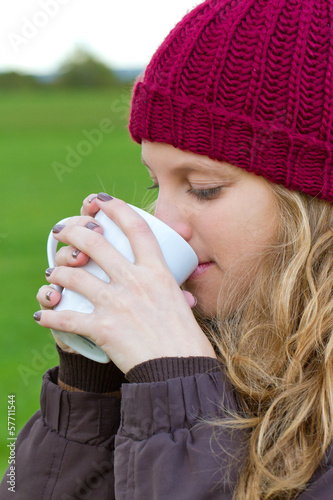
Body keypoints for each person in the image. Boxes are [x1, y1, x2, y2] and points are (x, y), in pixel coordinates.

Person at [2, 0, 333, 498]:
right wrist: (90, 389)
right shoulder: (233, 346)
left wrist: (176, 390)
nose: (164, 224)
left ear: (314, 203)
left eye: (202, 188)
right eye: (156, 184)